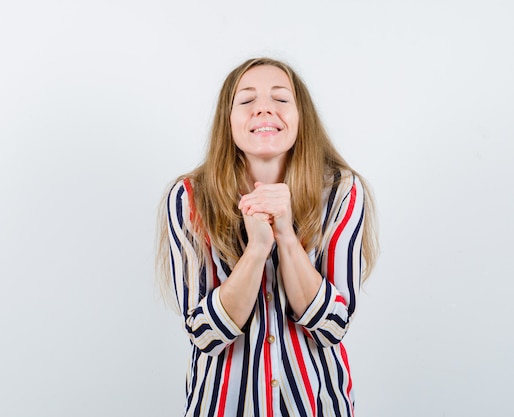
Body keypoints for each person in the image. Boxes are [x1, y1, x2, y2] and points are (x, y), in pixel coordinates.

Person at [156, 57, 378, 417]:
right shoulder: (188, 197)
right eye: (246, 101)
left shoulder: (341, 191)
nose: (263, 110)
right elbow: (206, 334)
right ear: (227, 122)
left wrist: (287, 237)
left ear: (300, 117)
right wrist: (257, 248)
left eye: (280, 99)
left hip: (317, 406)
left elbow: (331, 326)